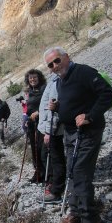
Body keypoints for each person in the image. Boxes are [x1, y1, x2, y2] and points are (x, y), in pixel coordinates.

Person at [44, 47, 112, 223]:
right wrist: (57, 107)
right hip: (70, 133)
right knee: (72, 172)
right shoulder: (60, 80)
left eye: (57, 60)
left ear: (67, 57)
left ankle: (89, 218)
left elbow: (108, 94)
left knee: (80, 173)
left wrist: (89, 116)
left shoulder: (83, 71)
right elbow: (73, 104)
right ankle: (75, 213)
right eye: (50, 64)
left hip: (88, 132)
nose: (55, 65)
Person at [38, 65, 67, 204]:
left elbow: (53, 108)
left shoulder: (57, 83)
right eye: (49, 65)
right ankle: (54, 184)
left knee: (56, 159)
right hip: (48, 127)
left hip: (52, 129)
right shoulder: (54, 80)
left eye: (54, 65)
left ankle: (56, 192)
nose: (52, 68)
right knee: (50, 156)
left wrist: (49, 131)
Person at [24, 69, 47, 183]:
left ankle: (46, 173)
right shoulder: (31, 91)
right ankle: (38, 172)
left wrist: (38, 112)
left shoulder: (44, 88)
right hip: (32, 123)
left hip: (42, 122)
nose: (32, 79)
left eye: (34, 77)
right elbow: (29, 108)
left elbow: (48, 103)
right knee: (34, 148)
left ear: (39, 77)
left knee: (41, 149)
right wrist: (28, 118)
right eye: (30, 78)